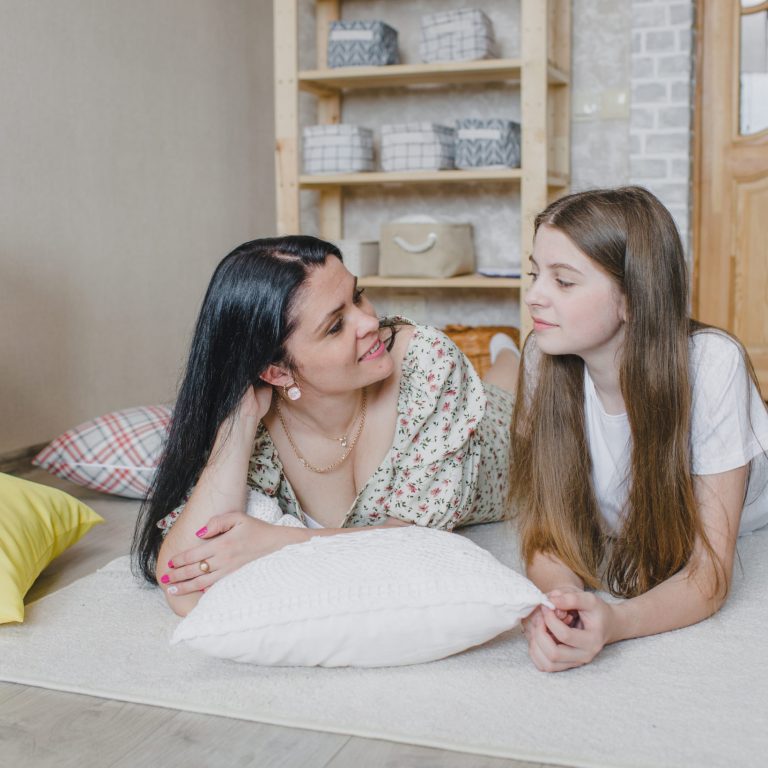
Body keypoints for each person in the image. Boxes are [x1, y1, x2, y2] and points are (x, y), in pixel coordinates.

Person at [132, 235, 520, 616]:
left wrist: (283, 542)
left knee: (514, 389)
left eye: (357, 295)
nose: (369, 321)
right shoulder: (259, 420)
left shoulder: (427, 362)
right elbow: (179, 581)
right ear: (276, 372)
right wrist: (239, 421)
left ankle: (510, 354)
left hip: (507, 434)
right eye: (335, 326)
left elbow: (417, 543)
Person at [510, 186, 768, 672]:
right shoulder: (542, 357)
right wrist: (562, 603)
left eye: (563, 281)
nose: (533, 296)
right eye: (534, 273)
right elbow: (548, 532)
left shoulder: (713, 364)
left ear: (632, 298)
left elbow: (709, 575)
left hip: (753, 504)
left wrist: (615, 622)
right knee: (506, 371)